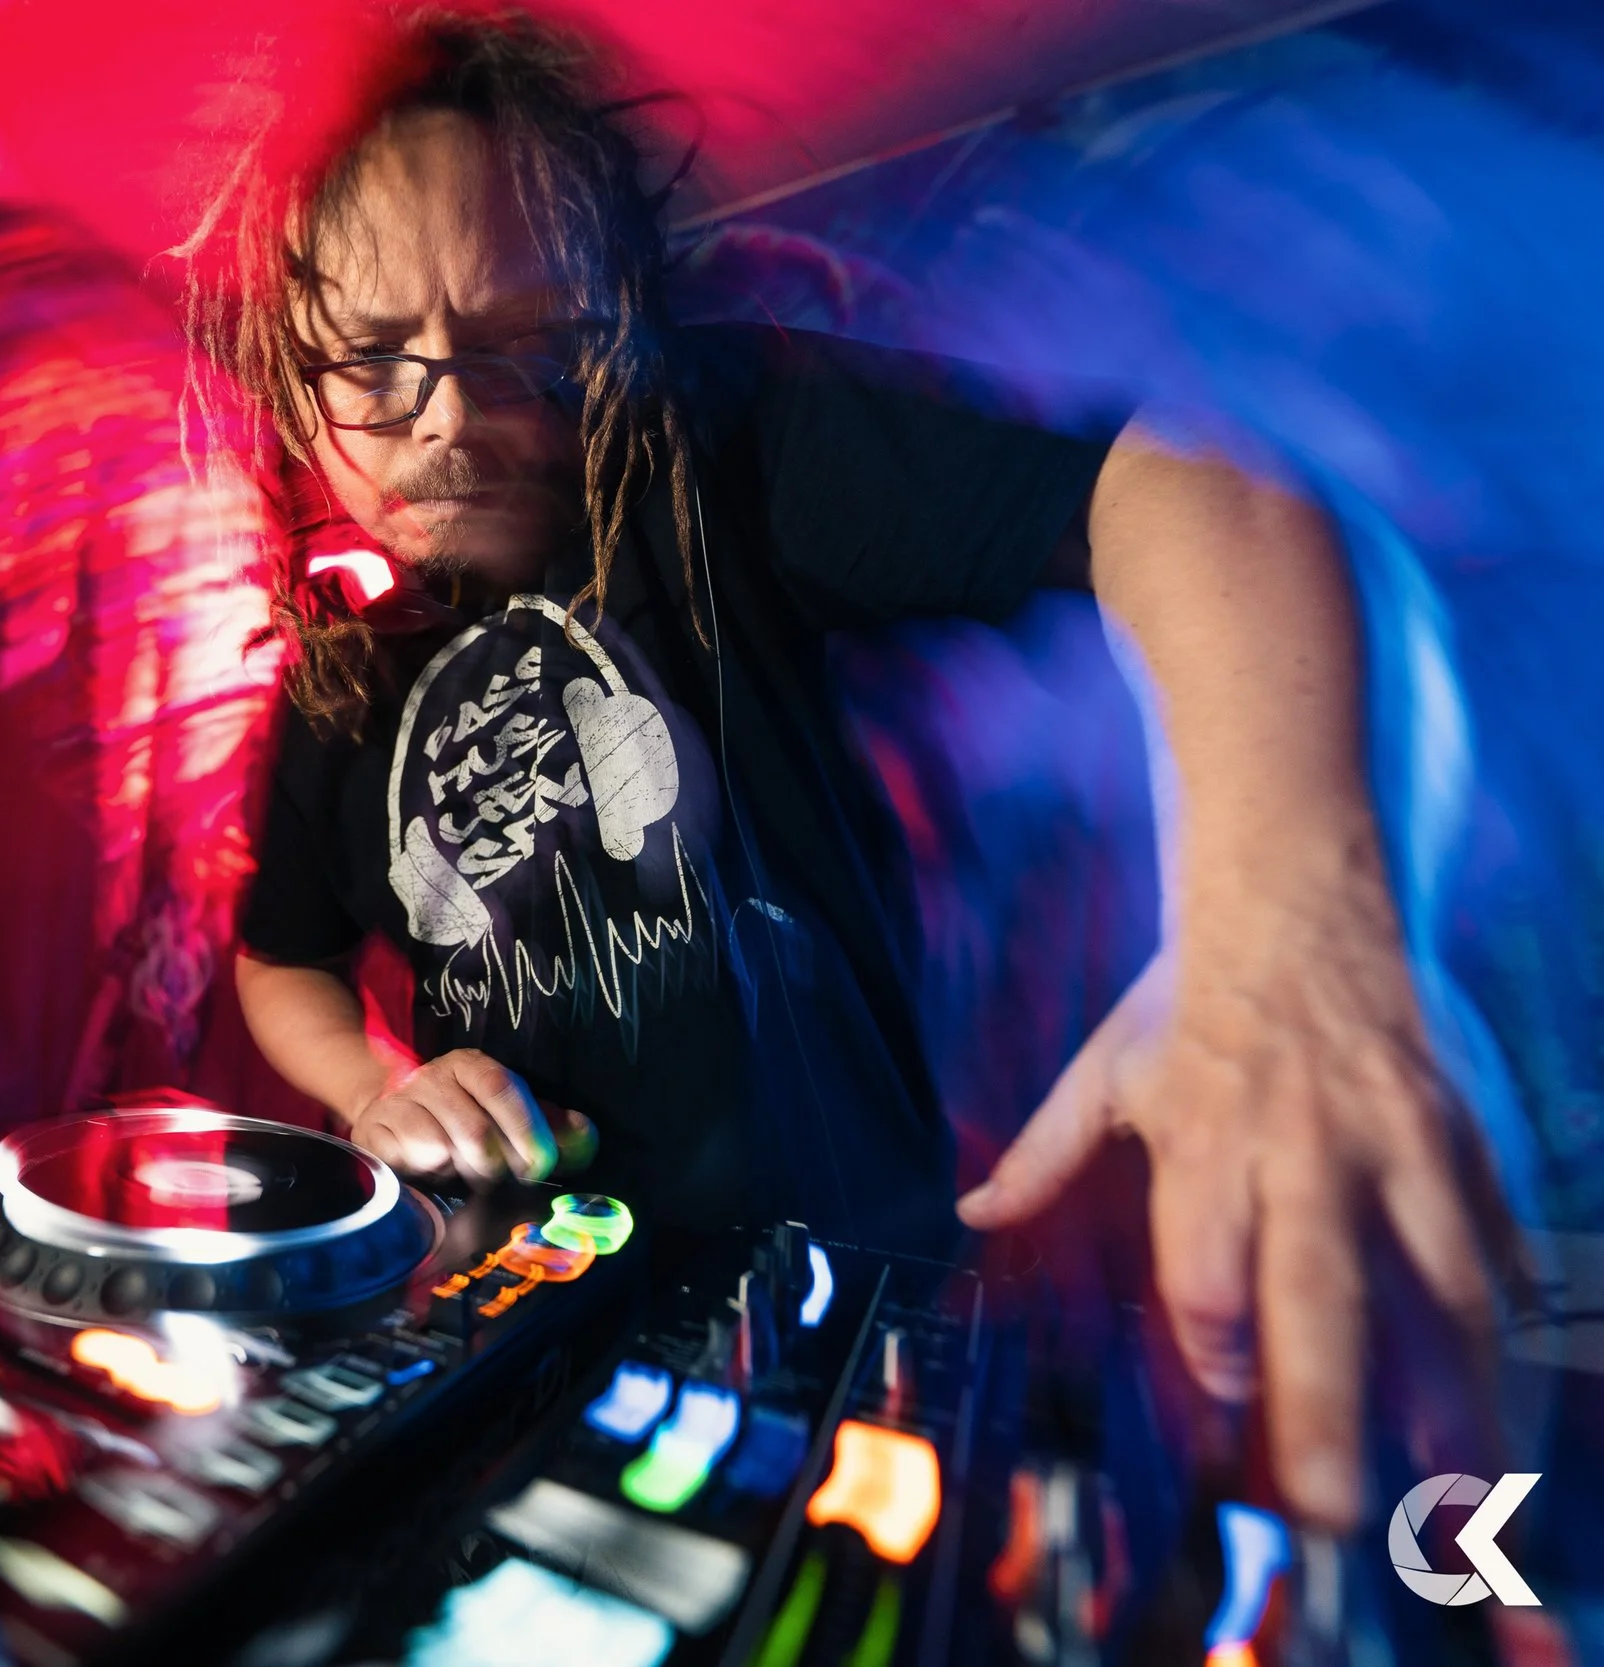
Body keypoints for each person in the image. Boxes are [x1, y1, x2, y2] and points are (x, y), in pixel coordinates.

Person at [191, 8, 1494, 1530]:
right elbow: (280, 958)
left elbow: (1190, 481)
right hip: (506, 1334)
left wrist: (1285, 932)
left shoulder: (702, 455)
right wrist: (382, 1084)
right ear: (295, 375)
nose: (458, 419)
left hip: (838, 1337)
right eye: (374, 361)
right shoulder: (341, 682)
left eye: (523, 343)